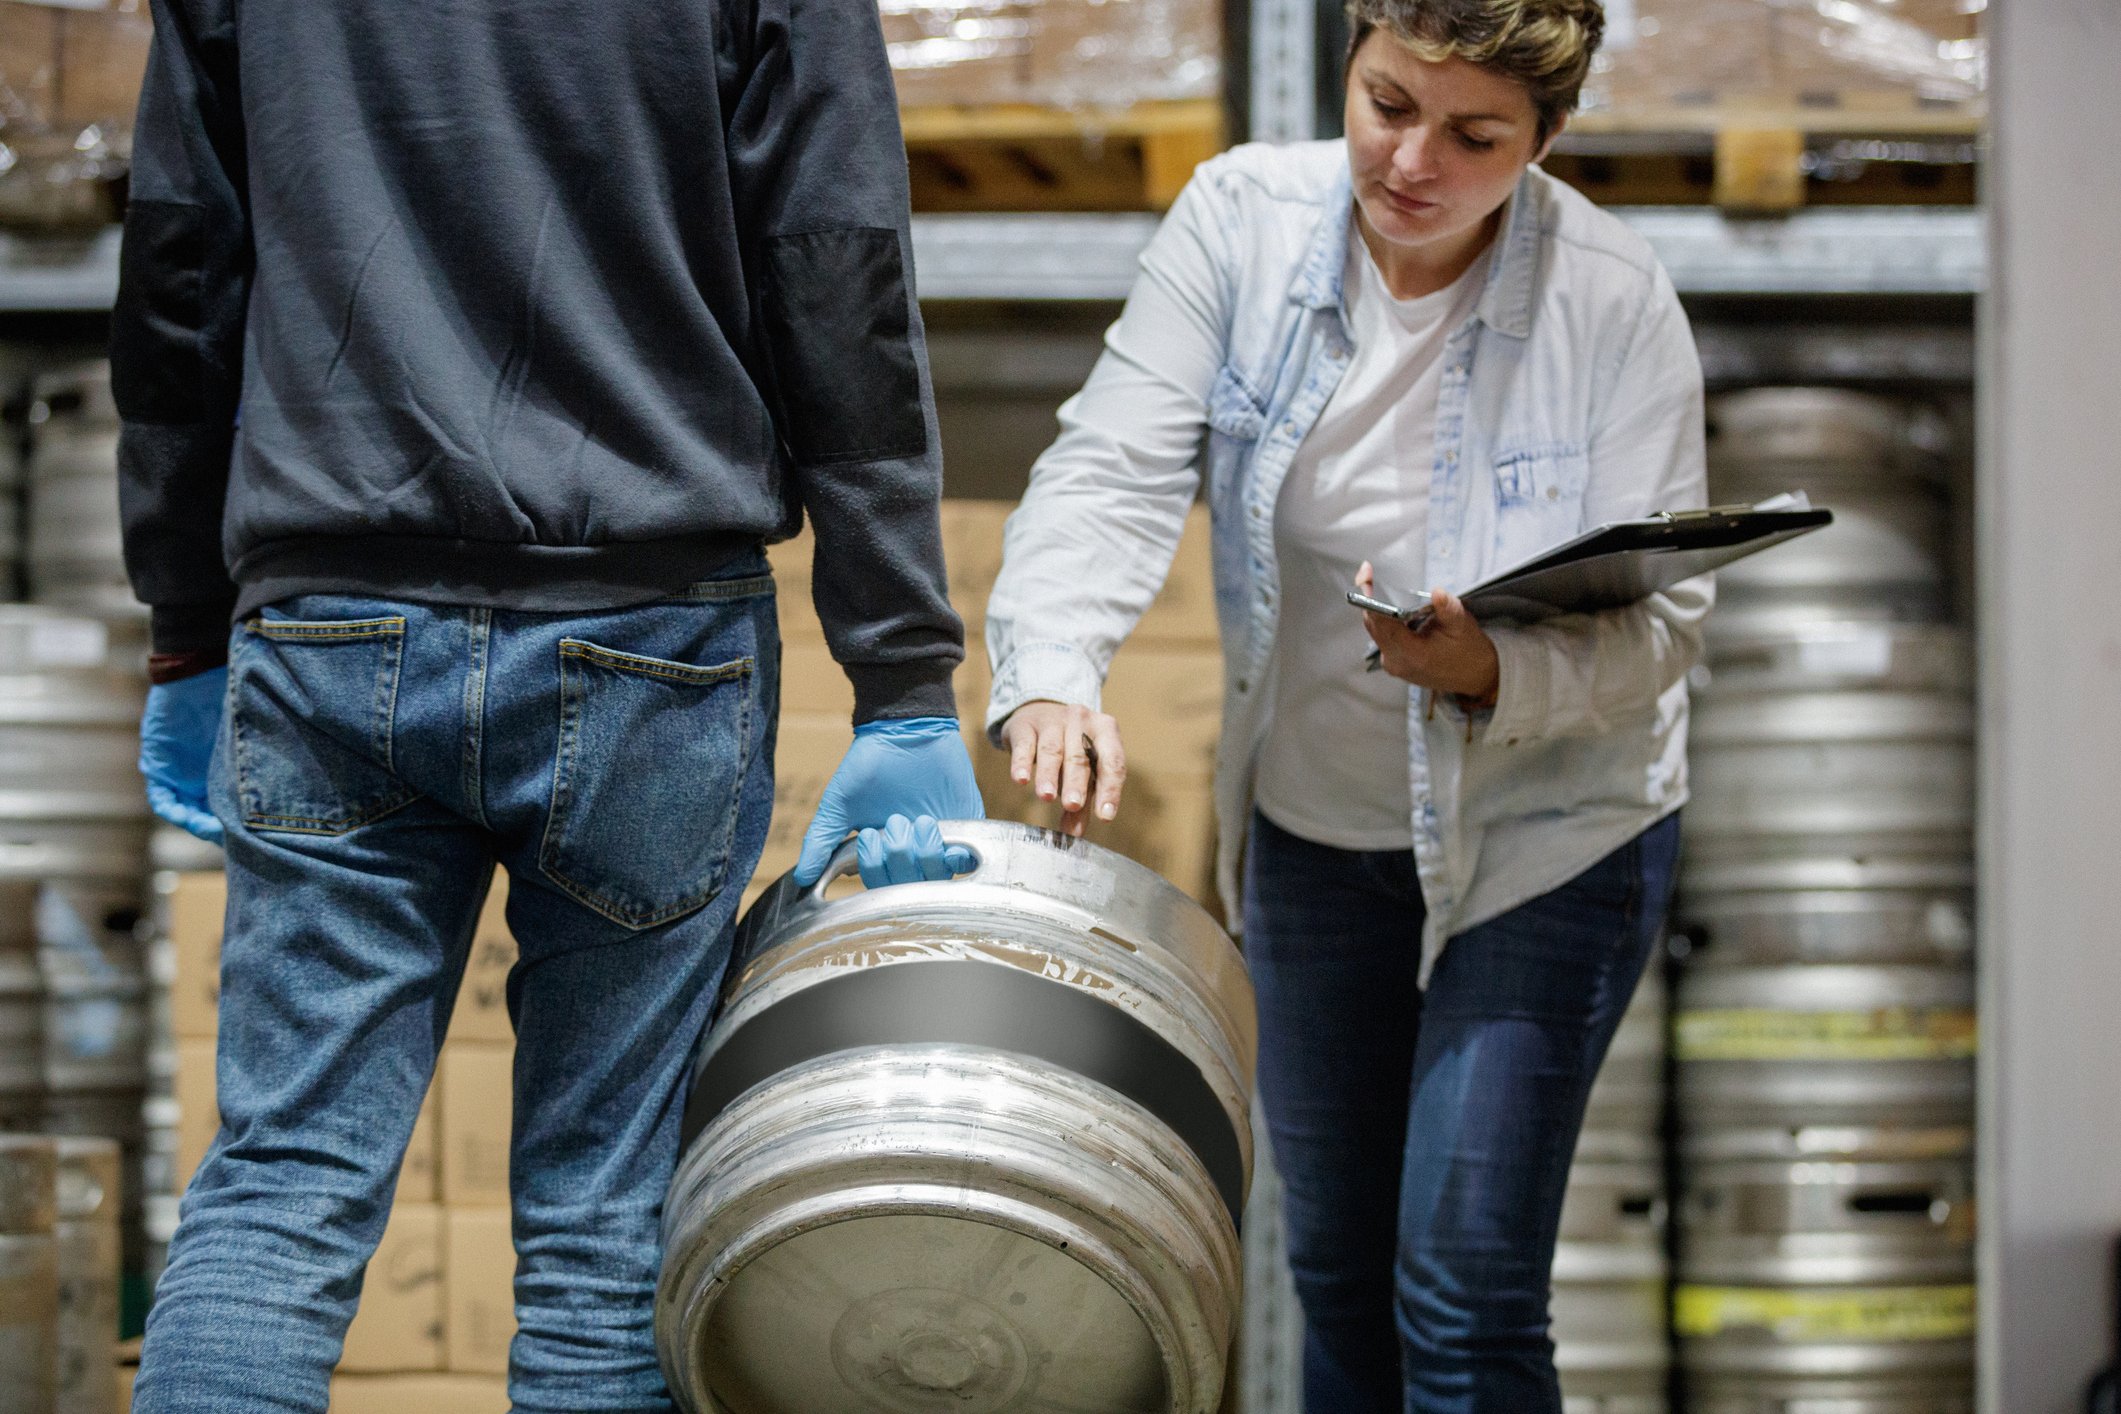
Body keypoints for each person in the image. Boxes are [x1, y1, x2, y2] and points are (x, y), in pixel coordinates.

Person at [114, 0, 981, 1405]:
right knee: (602, 1217)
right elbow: (834, 270)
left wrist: (183, 623)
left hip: (334, 609)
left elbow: (178, 271)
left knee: (279, 1181)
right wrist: (900, 672)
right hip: (647, 631)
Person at [983, 0, 1706, 1408]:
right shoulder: (1237, 220)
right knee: (1336, 1270)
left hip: (1549, 832)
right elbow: (1110, 469)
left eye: (1473, 134)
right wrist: (1053, 666)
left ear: (1545, 141)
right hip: (1316, 821)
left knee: (1461, 1280)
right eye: (1386, 103)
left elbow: (1667, 624)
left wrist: (1492, 670)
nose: (1410, 160)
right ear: (1354, 61)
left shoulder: (1614, 303)